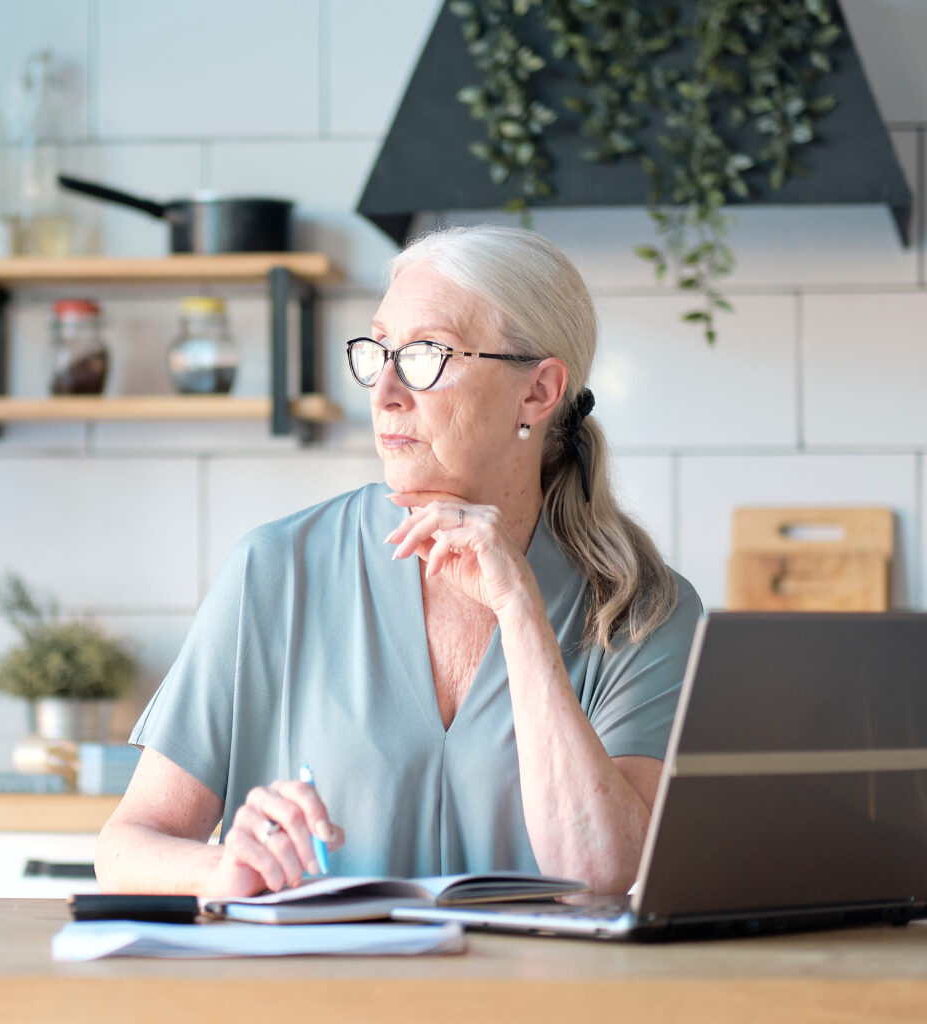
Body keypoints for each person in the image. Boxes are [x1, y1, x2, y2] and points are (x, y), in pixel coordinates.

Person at [95, 224, 702, 899]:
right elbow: (126, 846)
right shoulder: (276, 570)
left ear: (537, 392)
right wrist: (225, 869)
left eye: (424, 355)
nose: (384, 390)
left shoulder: (644, 609)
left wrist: (520, 611)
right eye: (378, 351)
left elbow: (605, 871)